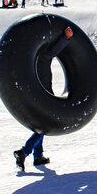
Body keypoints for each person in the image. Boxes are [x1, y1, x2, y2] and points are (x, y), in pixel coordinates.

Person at [13, 27, 74, 170]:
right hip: (44, 94)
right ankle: (24, 152)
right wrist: (66, 37)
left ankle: (38, 156)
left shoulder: (27, 56)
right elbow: (52, 52)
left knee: (40, 124)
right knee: (46, 126)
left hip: (32, 94)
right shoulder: (41, 55)